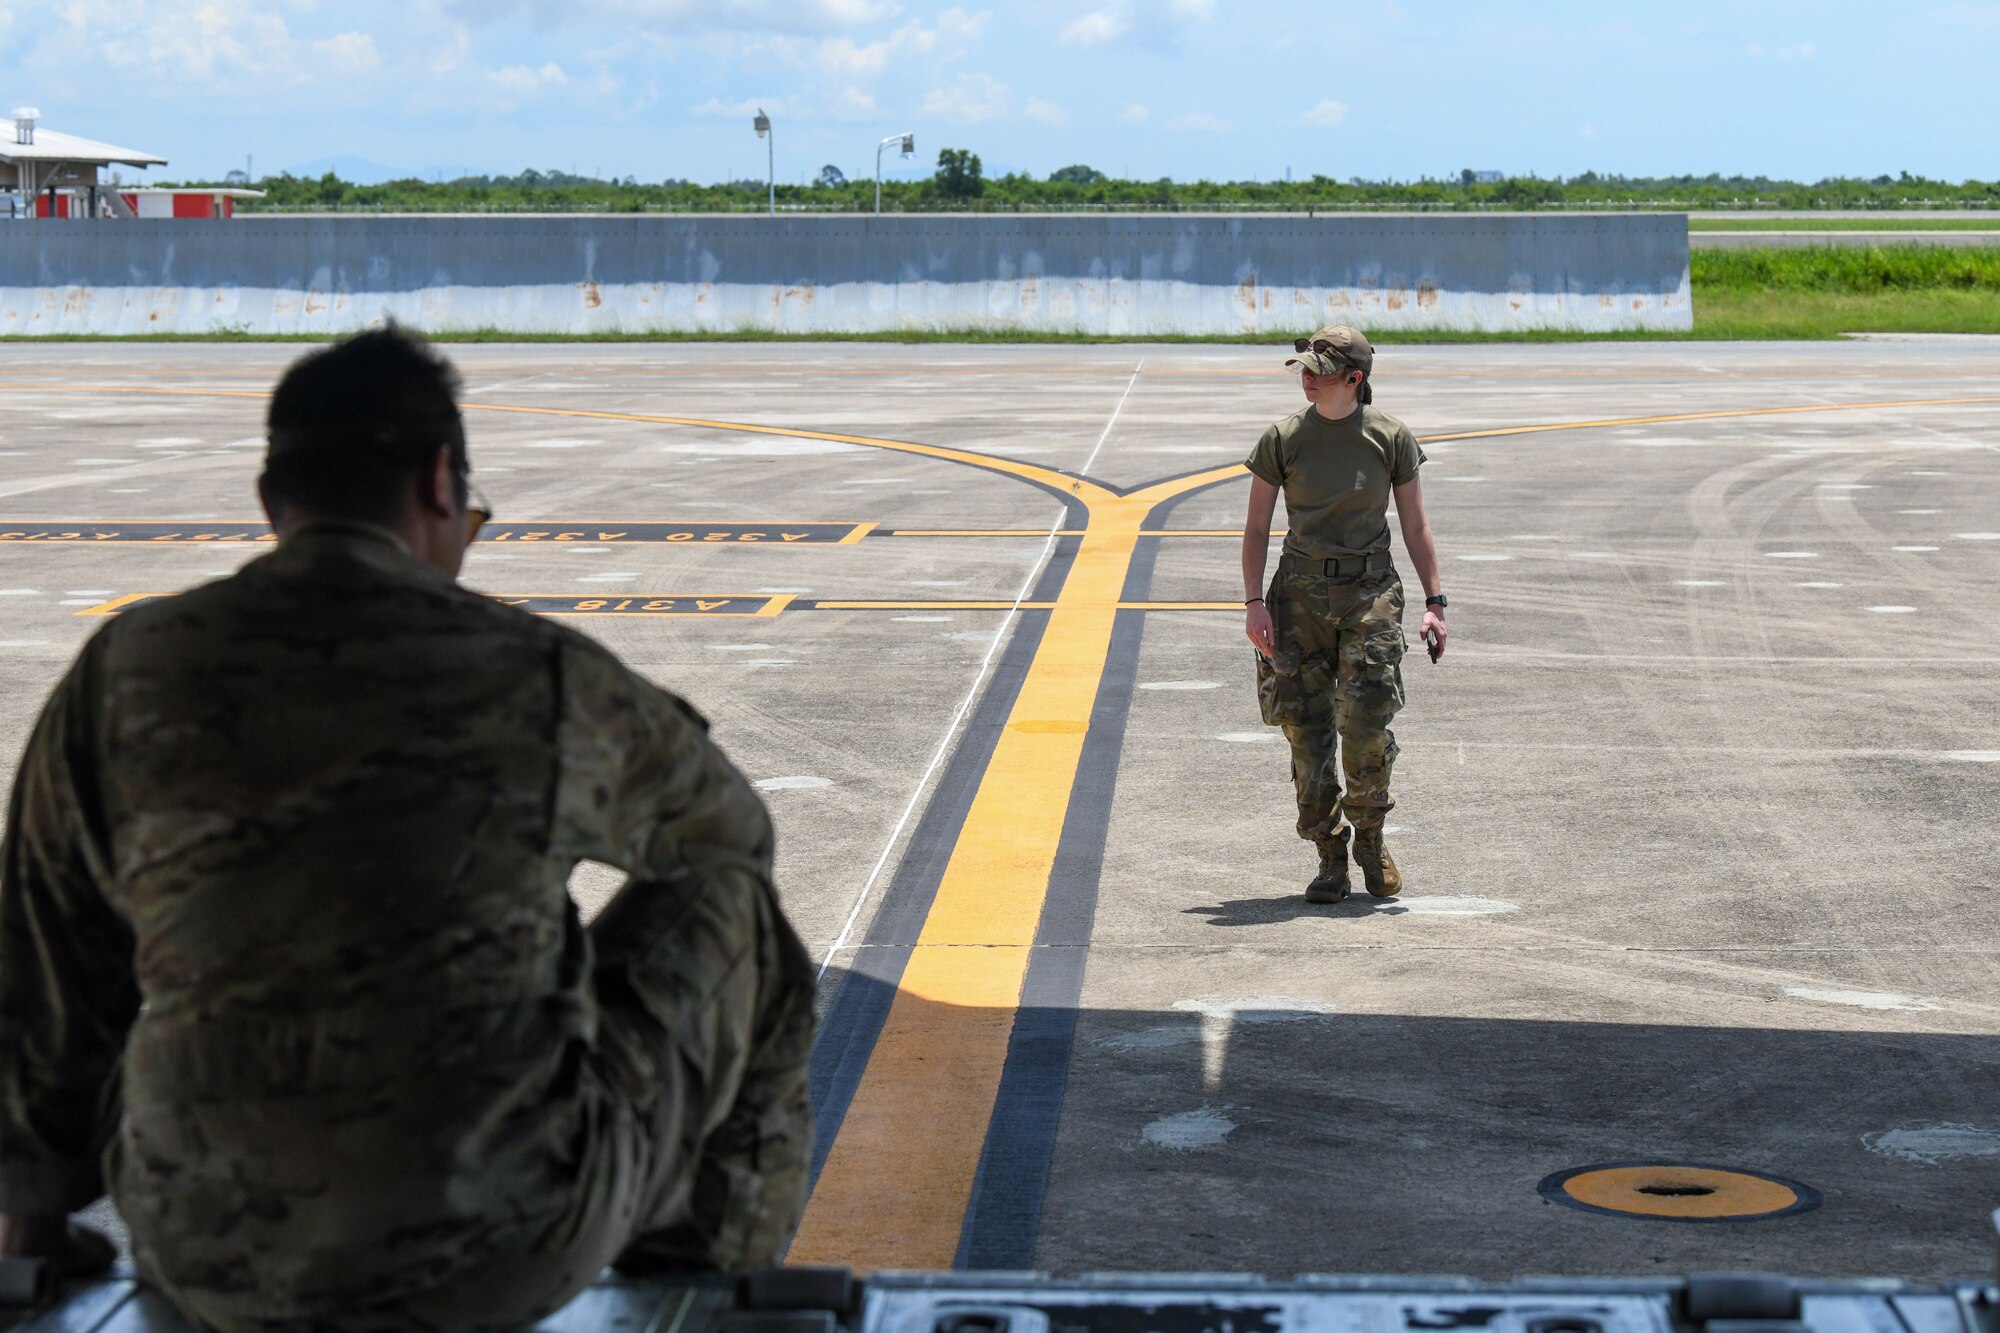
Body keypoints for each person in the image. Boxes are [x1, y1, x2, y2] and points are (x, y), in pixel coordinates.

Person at [0, 327, 815, 1330]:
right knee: (742, 917)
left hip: (204, 1248)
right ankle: (690, 1286)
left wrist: (32, 1229)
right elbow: (729, 841)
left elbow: (47, 968)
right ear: (440, 483)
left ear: (272, 505)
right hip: (499, 1251)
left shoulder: (124, 669)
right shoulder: (537, 674)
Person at [1240, 325, 1447, 904]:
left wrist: (1435, 603)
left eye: (1319, 369)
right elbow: (1256, 529)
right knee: (1304, 731)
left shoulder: (1390, 437)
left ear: (1354, 379)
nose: (1306, 376)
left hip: (1370, 591)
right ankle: (1329, 853)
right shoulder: (1281, 439)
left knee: (1366, 724)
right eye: (1303, 367)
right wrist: (1254, 603)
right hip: (1297, 595)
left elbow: (1415, 526)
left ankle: (1371, 839)